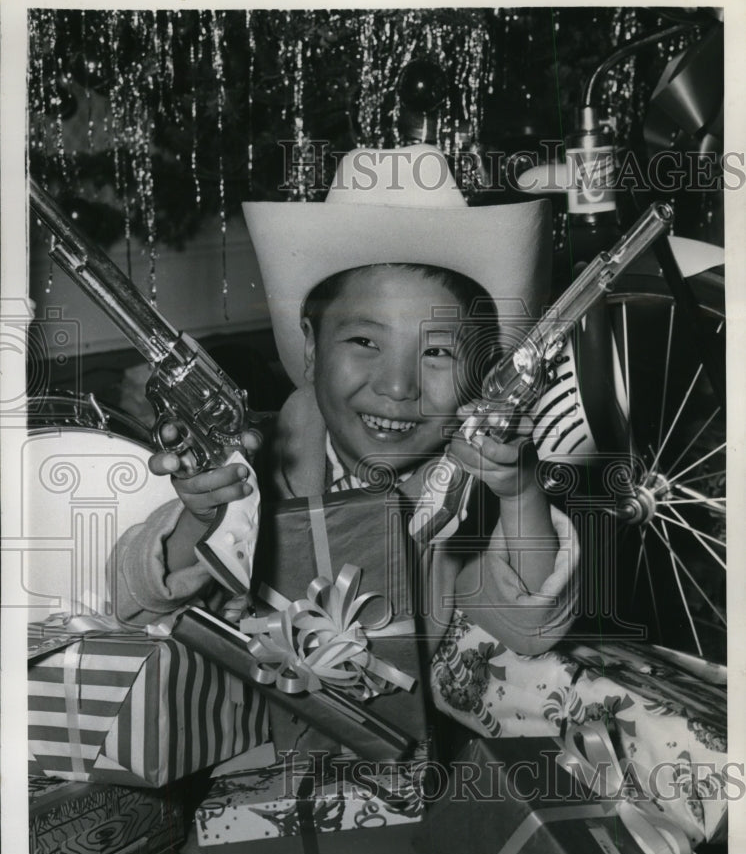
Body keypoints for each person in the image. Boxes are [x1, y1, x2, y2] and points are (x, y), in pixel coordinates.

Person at [109, 144, 578, 660]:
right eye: (365, 342)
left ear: (480, 372)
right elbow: (135, 606)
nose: (398, 387)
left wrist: (519, 495)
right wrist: (202, 520)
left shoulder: (466, 497)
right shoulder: (255, 470)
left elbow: (532, 628)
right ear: (311, 347)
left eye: (437, 351)